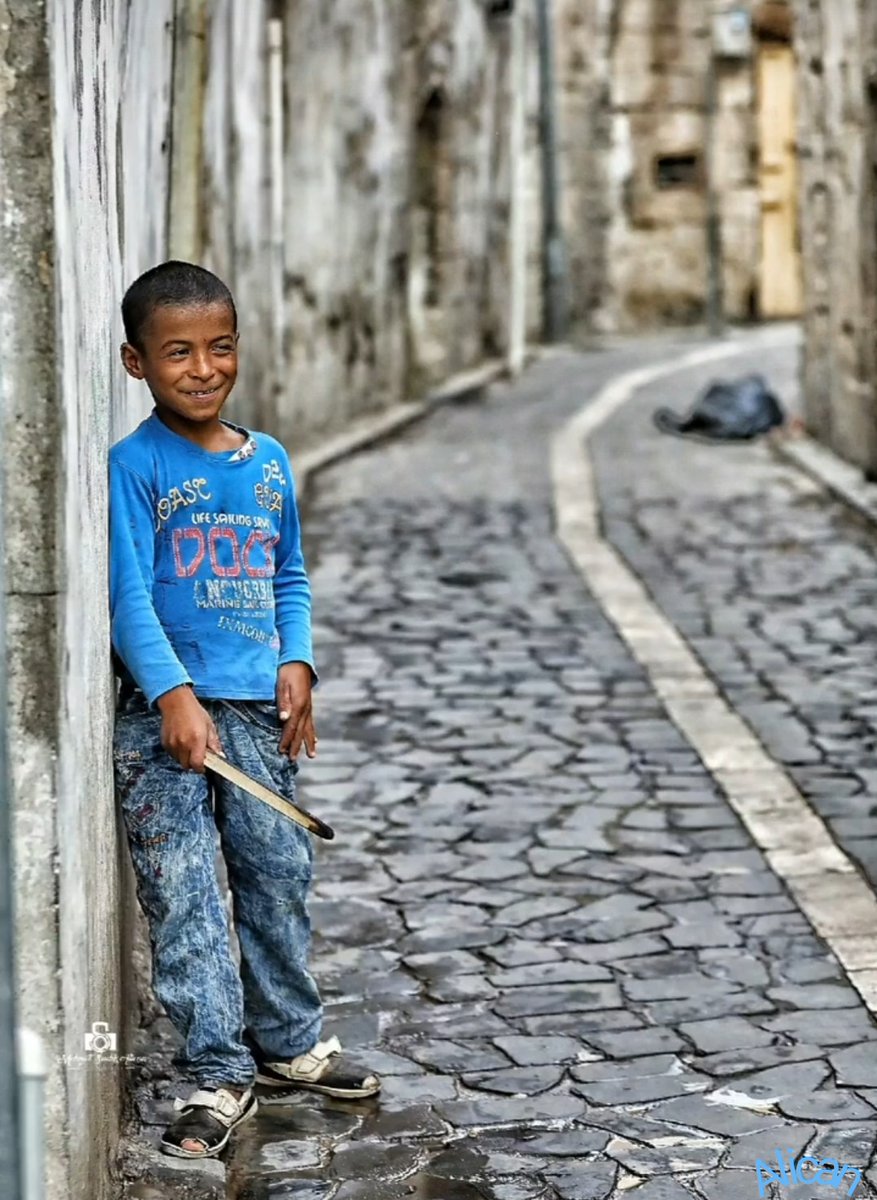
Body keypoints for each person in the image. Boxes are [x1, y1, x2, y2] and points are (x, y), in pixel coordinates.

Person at [109, 260, 379, 1159]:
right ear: (136, 363)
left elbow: (286, 573)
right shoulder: (135, 467)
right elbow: (128, 598)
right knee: (183, 890)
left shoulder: (267, 463)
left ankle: (287, 1042)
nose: (203, 368)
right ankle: (217, 1071)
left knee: (276, 872)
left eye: (219, 347)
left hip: (258, 715)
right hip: (164, 722)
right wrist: (173, 695)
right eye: (177, 352)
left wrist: (296, 660)